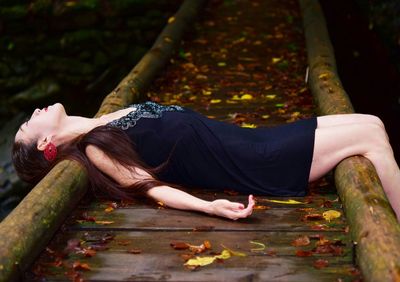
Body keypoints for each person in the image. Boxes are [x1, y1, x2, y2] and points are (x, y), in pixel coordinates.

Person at [12, 101, 400, 221]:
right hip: (259, 160)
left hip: (260, 139)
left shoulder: (104, 120)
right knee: (371, 137)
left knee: (373, 122)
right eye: (30, 122)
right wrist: (209, 207)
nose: (35, 111)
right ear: (46, 141)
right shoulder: (97, 148)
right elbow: (149, 186)